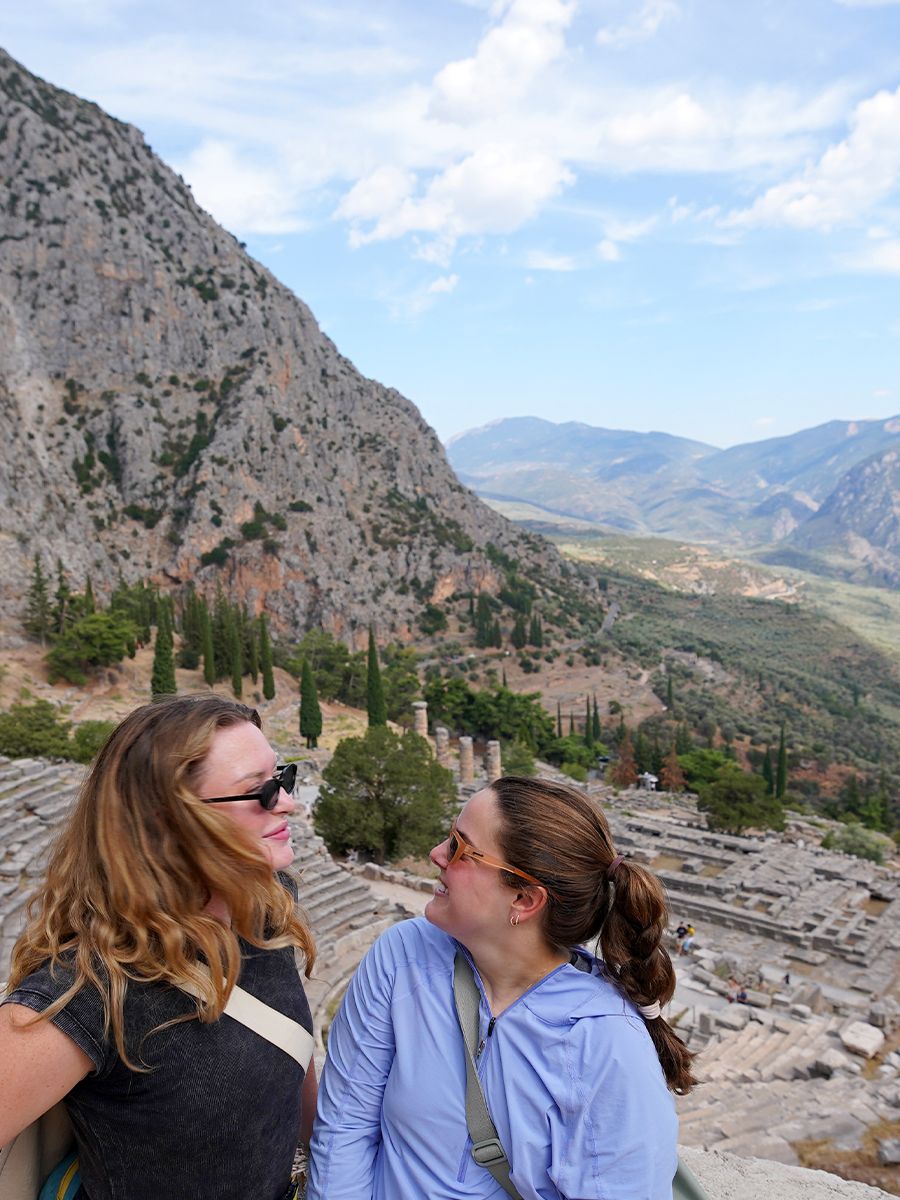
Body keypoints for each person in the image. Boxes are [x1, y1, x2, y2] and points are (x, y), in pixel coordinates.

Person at [309, 775, 693, 1200]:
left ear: (524, 900)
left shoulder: (607, 1044)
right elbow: (344, 1126)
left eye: (459, 847)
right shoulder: (403, 955)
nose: (436, 854)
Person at [0, 694, 317, 1200]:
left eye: (282, 779)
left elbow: (285, 1046)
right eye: (258, 793)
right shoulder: (88, 993)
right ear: (169, 824)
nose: (288, 803)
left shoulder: (268, 902)